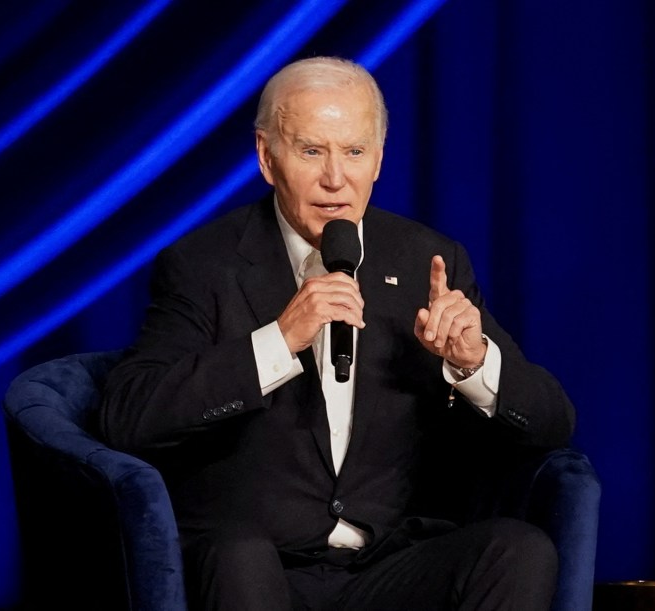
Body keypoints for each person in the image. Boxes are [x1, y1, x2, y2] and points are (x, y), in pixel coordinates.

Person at [100, 56, 575, 611]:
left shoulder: (429, 261)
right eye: (310, 151)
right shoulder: (205, 264)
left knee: (517, 550)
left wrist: (472, 364)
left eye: (353, 152)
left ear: (377, 160)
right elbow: (128, 415)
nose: (335, 178)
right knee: (239, 557)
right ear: (266, 157)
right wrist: (278, 339)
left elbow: (552, 422)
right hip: (259, 567)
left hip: (389, 564)